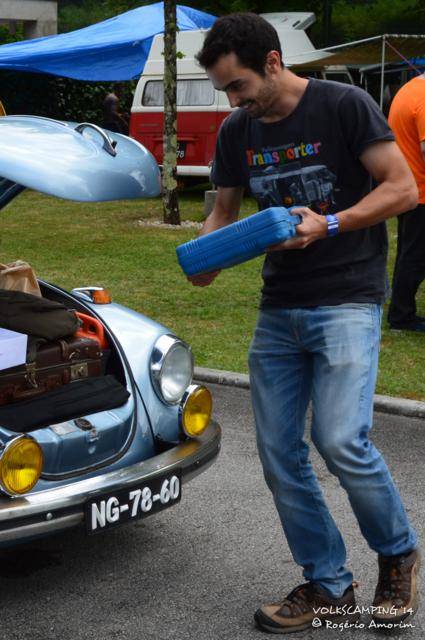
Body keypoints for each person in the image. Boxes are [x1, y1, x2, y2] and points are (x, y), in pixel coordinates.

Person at [189, 13, 420, 634]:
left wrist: (334, 222)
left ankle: (397, 557)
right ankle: (328, 584)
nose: (231, 101)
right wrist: (204, 255)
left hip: (347, 297)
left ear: (270, 62)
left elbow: (402, 189)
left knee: (342, 441)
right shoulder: (239, 130)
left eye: (236, 86)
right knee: (278, 454)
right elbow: (225, 211)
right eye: (223, 92)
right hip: (279, 308)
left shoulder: (344, 105)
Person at [387, 74, 425, 332]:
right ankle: (402, 316)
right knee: (415, 256)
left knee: (408, 253)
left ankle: (401, 311)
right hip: (421, 192)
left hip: (407, 187)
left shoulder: (409, 88)